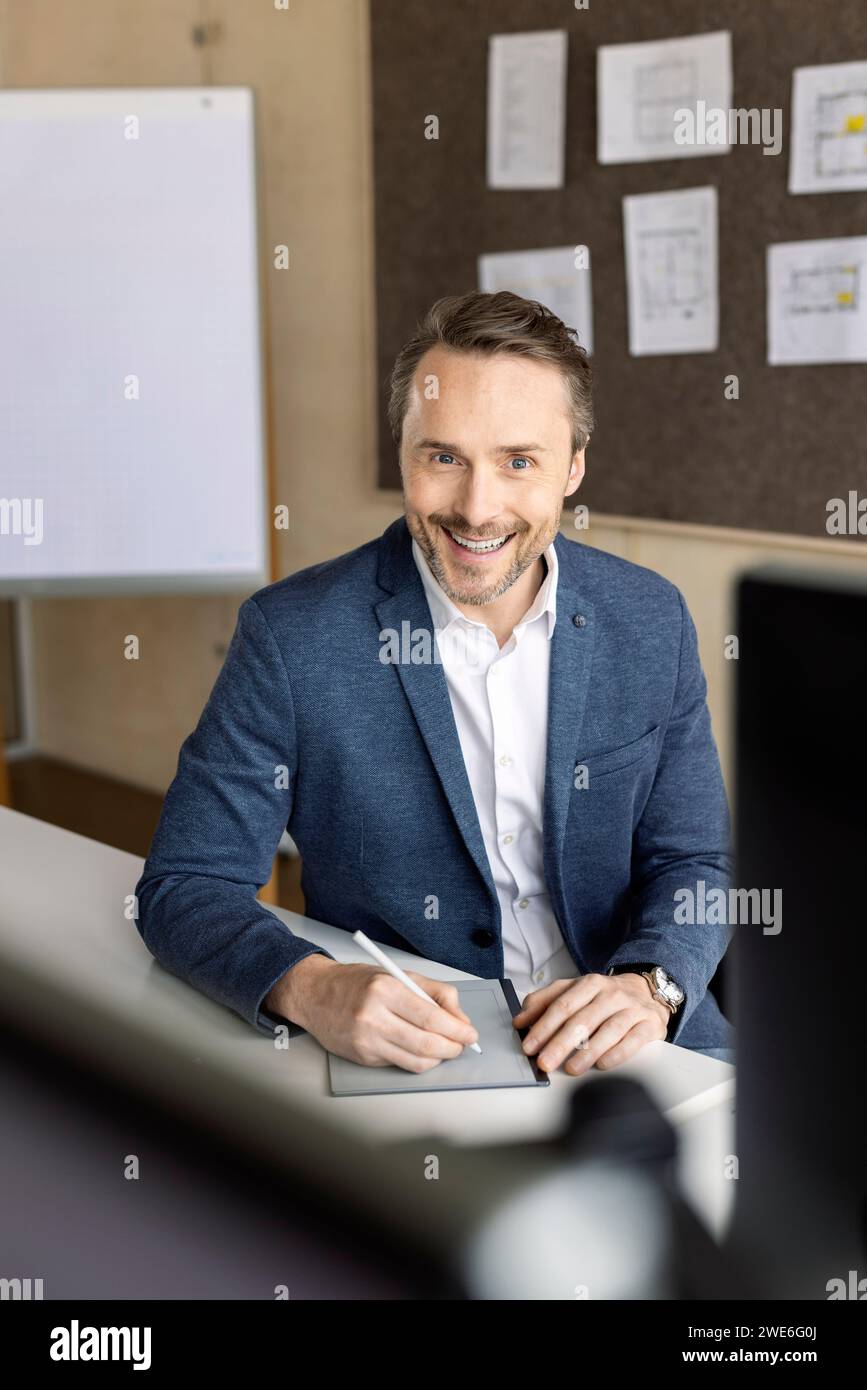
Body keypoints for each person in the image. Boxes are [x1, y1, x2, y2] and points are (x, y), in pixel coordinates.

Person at [135, 291, 735, 1076]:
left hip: (644, 1048)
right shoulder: (291, 636)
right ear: (403, 452)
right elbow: (186, 883)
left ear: (574, 468)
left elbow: (697, 862)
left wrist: (649, 984)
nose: (476, 509)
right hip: (418, 1062)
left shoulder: (648, 617)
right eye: (442, 457)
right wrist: (309, 987)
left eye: (518, 462)